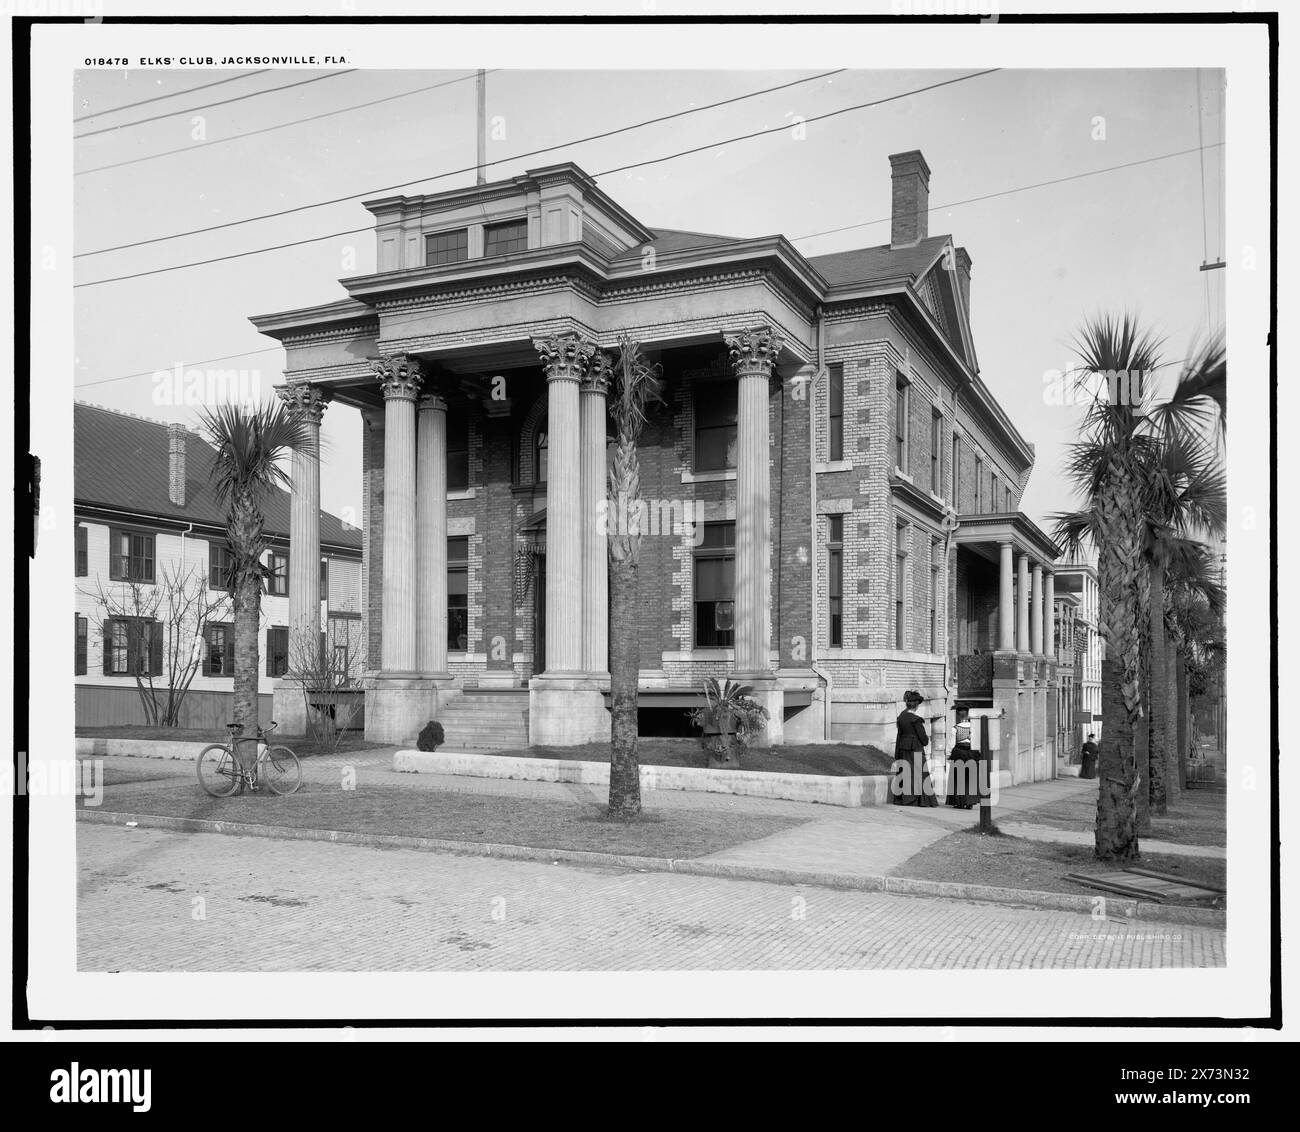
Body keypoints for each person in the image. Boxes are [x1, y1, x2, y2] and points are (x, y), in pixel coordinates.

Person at [892, 690, 937, 806]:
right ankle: (920, 801)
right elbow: (924, 740)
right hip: (916, 749)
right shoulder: (916, 720)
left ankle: (905, 799)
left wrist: (897, 753)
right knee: (920, 774)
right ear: (916, 705)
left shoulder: (901, 717)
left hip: (903, 749)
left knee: (906, 773)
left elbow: (899, 735)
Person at [947, 721, 981, 809]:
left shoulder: (955, 728)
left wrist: (948, 754)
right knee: (971, 778)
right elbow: (977, 741)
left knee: (958, 777)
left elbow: (951, 743)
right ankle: (970, 802)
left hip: (959, 752)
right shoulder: (974, 727)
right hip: (972, 752)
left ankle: (959, 802)